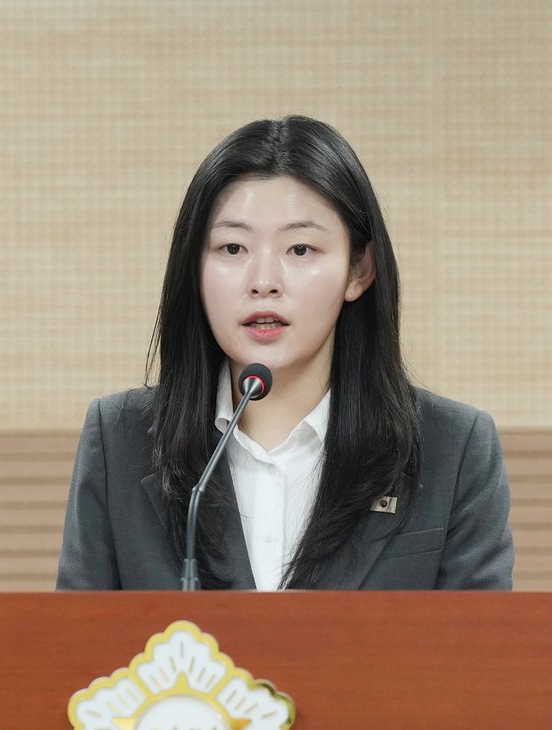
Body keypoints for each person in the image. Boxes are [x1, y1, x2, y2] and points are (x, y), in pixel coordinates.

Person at [56, 116, 513, 591]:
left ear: (358, 270)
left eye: (300, 249)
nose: (263, 281)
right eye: (233, 248)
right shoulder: (120, 441)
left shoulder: (453, 448)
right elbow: (78, 636)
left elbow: (482, 638)